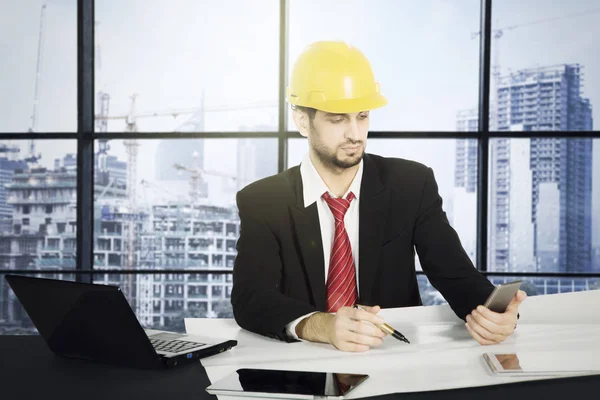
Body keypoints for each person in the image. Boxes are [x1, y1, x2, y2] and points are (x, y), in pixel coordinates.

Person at [231, 40, 526, 352]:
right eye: (337, 119)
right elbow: (251, 297)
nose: (355, 133)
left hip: (393, 356)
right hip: (307, 362)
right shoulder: (263, 201)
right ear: (302, 120)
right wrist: (322, 325)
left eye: (362, 116)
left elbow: (456, 275)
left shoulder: (411, 185)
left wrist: (494, 313)